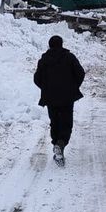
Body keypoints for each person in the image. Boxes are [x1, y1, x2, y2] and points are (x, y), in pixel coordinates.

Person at [33, 35, 85, 166]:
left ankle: (57, 143)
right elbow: (80, 73)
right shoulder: (69, 57)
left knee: (55, 122)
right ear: (61, 44)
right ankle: (60, 144)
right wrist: (73, 86)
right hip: (67, 97)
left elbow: (37, 78)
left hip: (50, 98)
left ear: (49, 45)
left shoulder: (44, 60)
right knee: (66, 123)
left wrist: (46, 88)